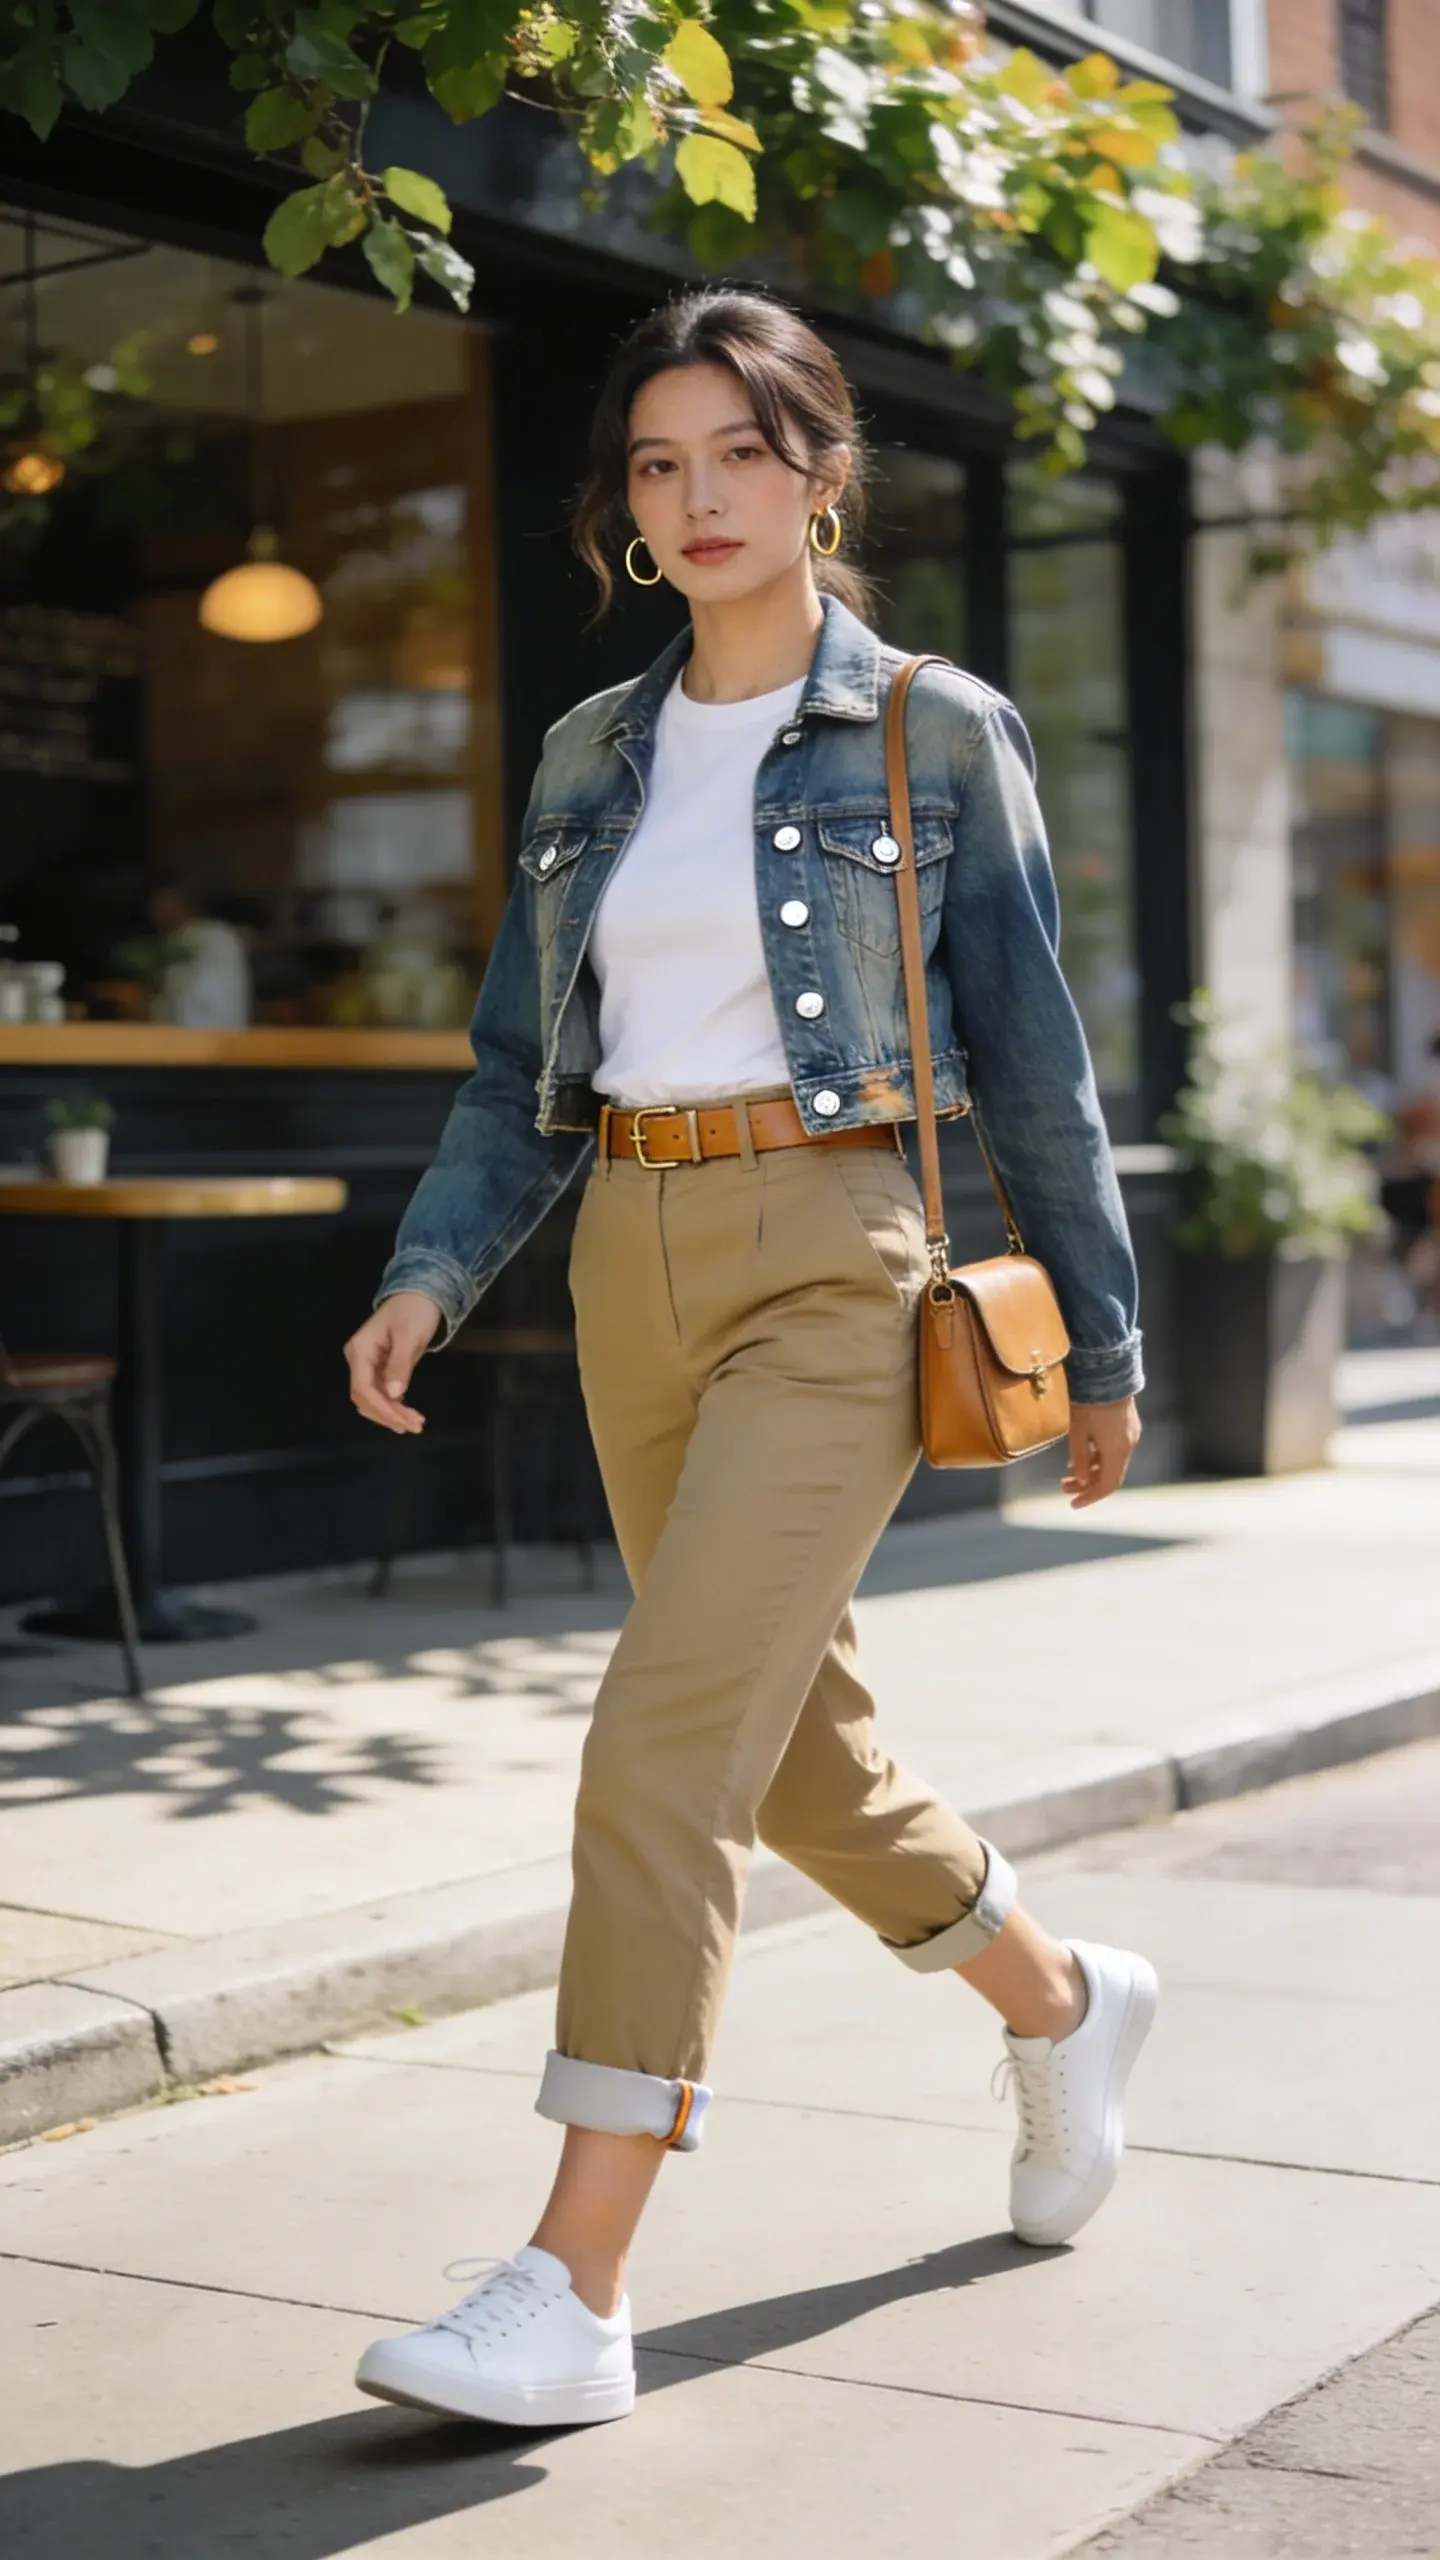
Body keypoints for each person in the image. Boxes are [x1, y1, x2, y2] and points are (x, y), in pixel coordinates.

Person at [342, 286, 1156, 2432]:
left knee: (661, 1742)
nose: (692, 499)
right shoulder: (590, 753)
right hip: (627, 1239)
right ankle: (1064, 2001)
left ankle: (576, 2271)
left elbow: (1040, 1069)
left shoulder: (932, 726)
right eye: (653, 463)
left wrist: (1106, 1342)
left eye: (733, 453)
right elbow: (526, 1059)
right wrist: (436, 1268)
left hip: (836, 1254)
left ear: (819, 471)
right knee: (794, 1756)